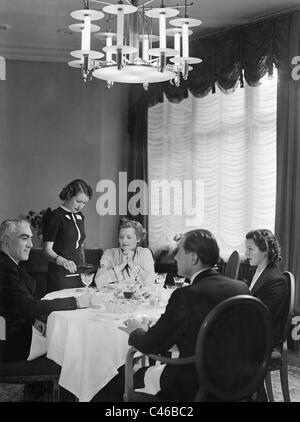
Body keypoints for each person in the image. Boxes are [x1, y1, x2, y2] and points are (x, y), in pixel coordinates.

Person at [116, 229, 250, 402]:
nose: (175, 257)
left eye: (179, 251)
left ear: (193, 258)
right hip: (238, 382)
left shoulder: (186, 295)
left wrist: (136, 331)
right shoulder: (241, 288)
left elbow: (151, 345)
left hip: (196, 386)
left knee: (125, 380)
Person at [0, 219, 89, 363]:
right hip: (13, 345)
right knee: (73, 347)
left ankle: (41, 386)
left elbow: (13, 303)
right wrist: (75, 302)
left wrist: (34, 320)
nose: (31, 244)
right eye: (24, 238)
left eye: (30, 238)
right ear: (7, 241)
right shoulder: (5, 267)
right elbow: (28, 306)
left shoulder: (7, 263)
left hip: (13, 333)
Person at [43, 179, 93, 293]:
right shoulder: (55, 216)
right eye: (78, 201)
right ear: (69, 195)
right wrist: (63, 261)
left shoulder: (80, 216)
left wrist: (84, 268)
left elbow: (80, 246)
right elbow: (46, 250)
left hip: (78, 272)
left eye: (84, 203)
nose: (81, 206)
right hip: (59, 274)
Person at [244, 229, 288, 348]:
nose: (246, 254)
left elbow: (265, 316)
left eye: (250, 249)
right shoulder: (252, 272)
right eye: (246, 249)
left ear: (265, 251)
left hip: (263, 335)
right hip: (249, 327)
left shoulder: (277, 280)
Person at [94, 218, 155, 290]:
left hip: (139, 298)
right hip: (113, 298)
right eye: (121, 237)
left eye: (129, 237)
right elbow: (98, 282)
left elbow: (150, 282)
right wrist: (121, 265)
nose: (124, 240)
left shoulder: (145, 253)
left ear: (138, 239)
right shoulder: (109, 254)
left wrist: (131, 263)